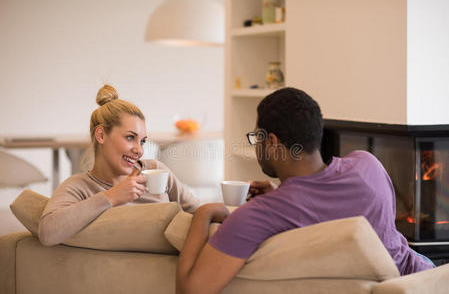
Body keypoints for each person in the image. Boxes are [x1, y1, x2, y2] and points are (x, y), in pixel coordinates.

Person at [176, 87, 435, 294]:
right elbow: (324, 199)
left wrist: (203, 213)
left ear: (273, 142)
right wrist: (282, 191)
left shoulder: (259, 215)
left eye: (257, 138)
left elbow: (192, 290)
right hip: (426, 279)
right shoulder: (369, 166)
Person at [38, 85, 199, 246]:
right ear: (101, 135)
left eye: (142, 141)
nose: (139, 150)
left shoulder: (155, 171)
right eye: (130, 137)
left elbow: (199, 213)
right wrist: (111, 197)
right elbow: (47, 234)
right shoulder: (78, 187)